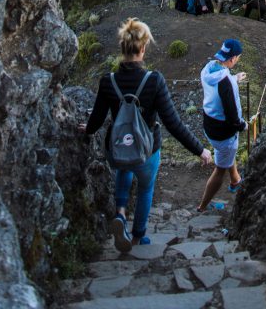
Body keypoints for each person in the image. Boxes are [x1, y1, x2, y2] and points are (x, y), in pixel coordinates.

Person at [83, 18, 212, 250]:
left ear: (123, 48)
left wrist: (87, 131)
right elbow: (173, 123)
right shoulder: (154, 81)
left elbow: (98, 118)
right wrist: (199, 150)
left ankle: (120, 214)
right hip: (146, 149)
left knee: (124, 169)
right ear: (143, 48)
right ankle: (137, 237)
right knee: (145, 187)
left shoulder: (108, 81)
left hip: (118, 147)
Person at [198, 38, 247, 211]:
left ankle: (235, 181)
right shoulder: (226, 83)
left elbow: (219, 86)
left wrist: (234, 78)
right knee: (220, 169)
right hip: (224, 132)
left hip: (209, 124)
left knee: (225, 155)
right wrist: (243, 126)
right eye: (238, 57)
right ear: (233, 59)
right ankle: (203, 206)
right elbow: (233, 115)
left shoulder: (208, 69)